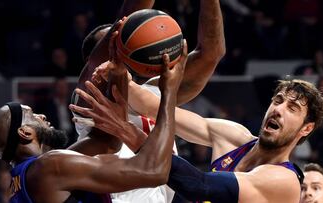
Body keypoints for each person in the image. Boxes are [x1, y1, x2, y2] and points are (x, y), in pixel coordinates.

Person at [0, 41, 188, 203]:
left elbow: (107, 143)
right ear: (24, 133)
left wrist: (118, 74)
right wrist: (169, 91)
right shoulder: (48, 167)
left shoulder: (23, 180)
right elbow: (156, 172)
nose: (42, 116)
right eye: (33, 115)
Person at [70, 0, 225, 202]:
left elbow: (211, 53)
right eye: (119, 41)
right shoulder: (88, 93)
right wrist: (128, 25)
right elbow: (131, 10)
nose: (124, 47)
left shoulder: (158, 91)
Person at [100, 77, 323, 202]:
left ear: (306, 128)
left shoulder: (284, 181)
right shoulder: (233, 136)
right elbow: (156, 109)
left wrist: (133, 137)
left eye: (292, 108)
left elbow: (200, 186)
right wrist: (123, 80)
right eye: (277, 101)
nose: (278, 110)